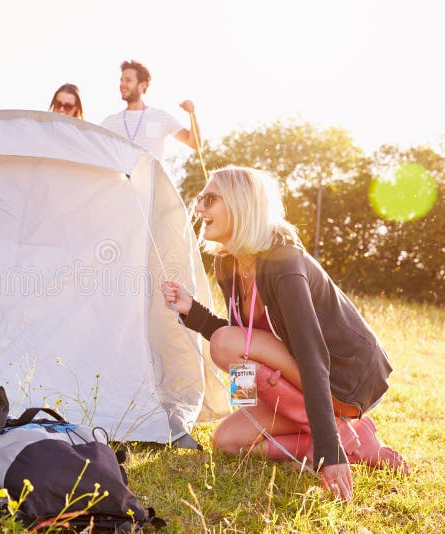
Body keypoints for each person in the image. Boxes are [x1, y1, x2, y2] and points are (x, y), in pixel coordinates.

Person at [160, 166, 408, 501]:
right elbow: (244, 339)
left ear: (240, 204)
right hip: (299, 377)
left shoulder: (283, 263)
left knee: (223, 344)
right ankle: (359, 444)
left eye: (210, 198)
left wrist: (328, 451)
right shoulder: (227, 264)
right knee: (228, 440)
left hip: (345, 379)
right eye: (200, 199)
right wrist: (194, 312)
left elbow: (311, 354)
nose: (199, 207)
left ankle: (338, 441)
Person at [101, 60, 200, 162]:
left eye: (128, 80)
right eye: (121, 80)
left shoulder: (161, 117)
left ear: (142, 85)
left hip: (152, 178)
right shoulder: (110, 122)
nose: (122, 84)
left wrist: (192, 114)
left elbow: (195, 144)